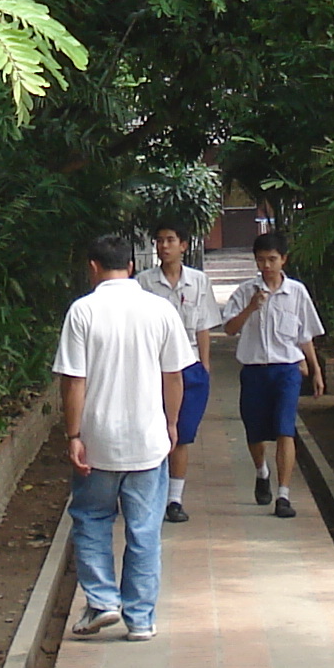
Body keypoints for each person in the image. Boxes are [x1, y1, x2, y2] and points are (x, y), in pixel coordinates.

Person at [54, 230, 192, 640]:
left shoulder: (83, 312)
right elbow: (174, 376)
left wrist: (73, 434)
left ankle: (102, 601)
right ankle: (141, 619)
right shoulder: (160, 309)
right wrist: (170, 424)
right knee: (145, 528)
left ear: (93, 267)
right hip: (148, 442)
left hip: (98, 442)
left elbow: (74, 381)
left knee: (91, 518)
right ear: (131, 267)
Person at [219, 230, 324, 518]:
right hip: (254, 370)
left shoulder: (297, 293)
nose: (266, 266)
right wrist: (252, 307)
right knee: (255, 431)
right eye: (261, 260)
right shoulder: (245, 292)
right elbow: (229, 328)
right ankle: (261, 471)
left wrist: (314, 370)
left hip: (287, 370)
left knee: (284, 429)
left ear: (284, 260)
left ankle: (284, 495)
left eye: (272, 259)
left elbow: (305, 336)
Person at [140, 222, 217, 523]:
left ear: (184, 245)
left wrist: (205, 366)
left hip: (190, 365)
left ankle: (174, 498)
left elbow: (204, 326)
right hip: (155, 367)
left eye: (170, 240)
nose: (164, 246)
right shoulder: (144, 282)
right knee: (155, 431)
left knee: (181, 434)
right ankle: (151, 494)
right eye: (159, 241)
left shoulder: (198, 282)